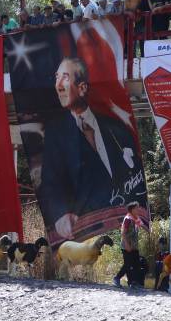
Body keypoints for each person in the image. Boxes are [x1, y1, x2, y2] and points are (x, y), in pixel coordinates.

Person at [38, 56, 145, 241]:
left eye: (65, 77)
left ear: (82, 88)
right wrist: (60, 214)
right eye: (57, 77)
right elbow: (49, 184)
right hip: (85, 231)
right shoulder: (55, 135)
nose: (58, 85)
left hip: (121, 226)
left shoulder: (117, 130)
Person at [113, 201, 147, 289]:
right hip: (126, 246)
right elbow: (123, 233)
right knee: (128, 264)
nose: (138, 209)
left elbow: (142, 225)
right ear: (132, 210)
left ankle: (133, 283)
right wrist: (127, 244)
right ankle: (117, 278)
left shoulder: (136, 217)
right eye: (136, 208)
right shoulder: (128, 219)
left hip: (134, 246)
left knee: (136, 264)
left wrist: (149, 230)